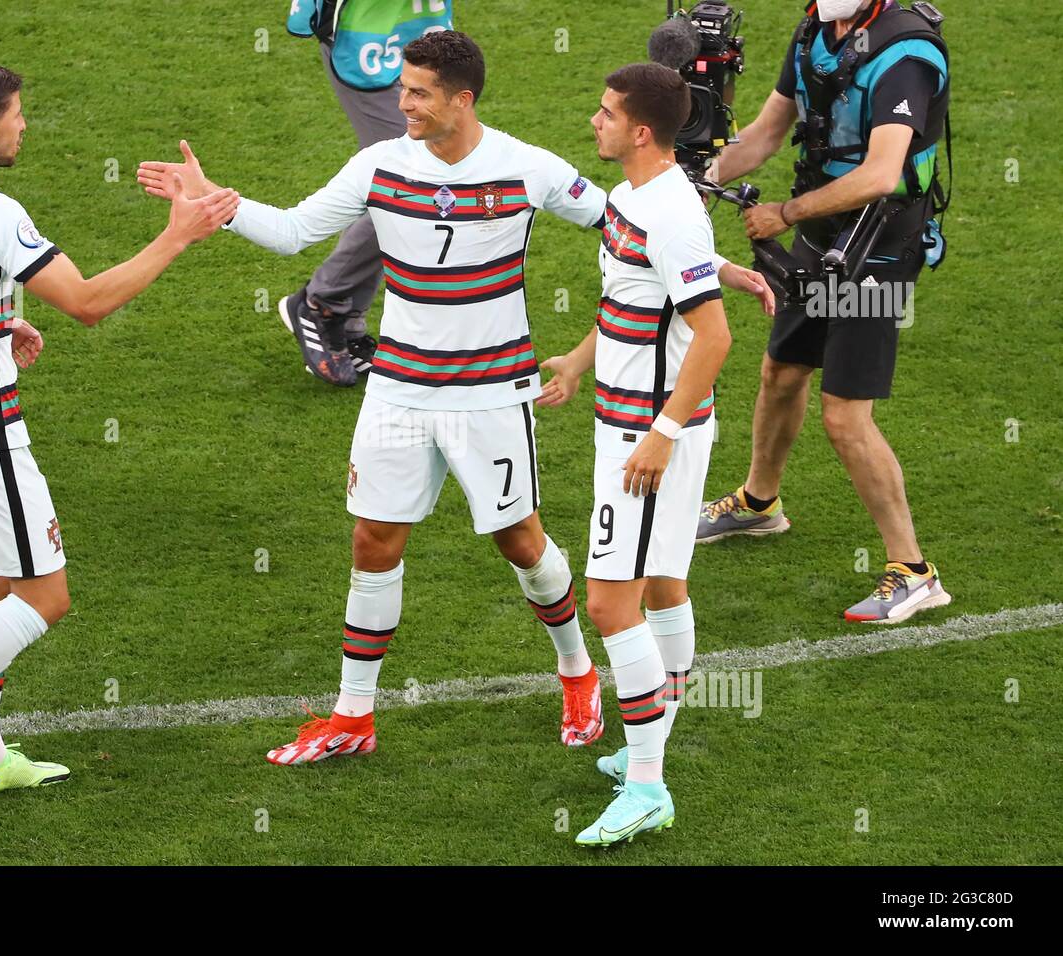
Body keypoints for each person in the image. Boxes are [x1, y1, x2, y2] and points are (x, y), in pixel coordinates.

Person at [143, 30, 612, 759]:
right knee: (373, 540)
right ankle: (354, 716)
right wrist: (218, 202)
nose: (404, 103)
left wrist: (708, 272)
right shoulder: (379, 165)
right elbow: (296, 232)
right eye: (403, 88)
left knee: (519, 542)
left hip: (489, 393)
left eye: (419, 92)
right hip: (397, 390)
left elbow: (624, 229)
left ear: (463, 99)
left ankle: (577, 670)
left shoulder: (530, 169)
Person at [0, 62, 238, 828]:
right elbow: (90, 303)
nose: (26, 126)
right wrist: (177, 236)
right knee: (45, 594)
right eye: (19, 115)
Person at [695, 0, 952, 623]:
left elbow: (883, 174)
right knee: (782, 372)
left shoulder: (907, 54)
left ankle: (914, 572)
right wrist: (696, 183)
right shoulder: (816, 29)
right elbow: (766, 132)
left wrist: (783, 213)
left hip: (880, 246)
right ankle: (760, 504)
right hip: (822, 228)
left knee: (845, 417)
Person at [539, 63, 734, 847]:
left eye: (605, 112)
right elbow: (632, 297)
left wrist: (662, 432)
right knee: (663, 583)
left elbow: (712, 336)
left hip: (647, 435)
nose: (595, 121)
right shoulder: (631, 199)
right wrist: (581, 360)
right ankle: (648, 752)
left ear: (642, 131)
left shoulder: (672, 214)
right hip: (630, 421)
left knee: (611, 604)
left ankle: (649, 783)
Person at [278, 0, 455, 387]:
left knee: (410, 181)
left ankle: (344, 318)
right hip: (366, 45)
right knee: (411, 181)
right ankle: (321, 303)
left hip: (417, 34)